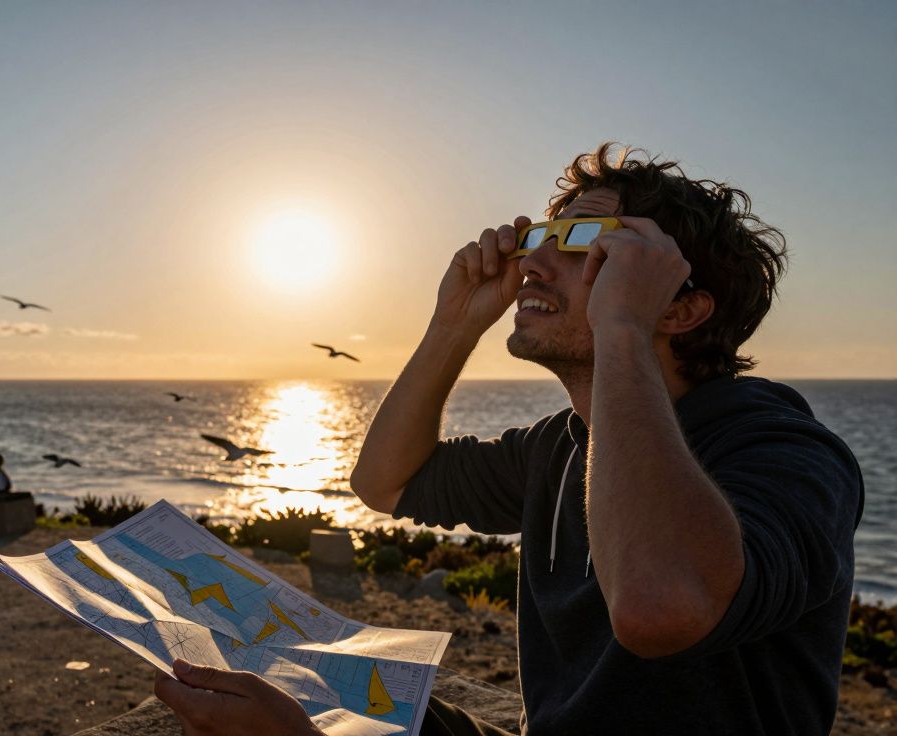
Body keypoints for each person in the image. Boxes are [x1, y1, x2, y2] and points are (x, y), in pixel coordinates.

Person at [154, 144, 864, 736]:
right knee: (307, 685)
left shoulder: (785, 454)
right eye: (538, 243)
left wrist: (621, 328)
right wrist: (454, 323)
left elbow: (659, 609)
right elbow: (385, 484)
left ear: (680, 306)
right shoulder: (558, 446)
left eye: (584, 244)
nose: (533, 264)